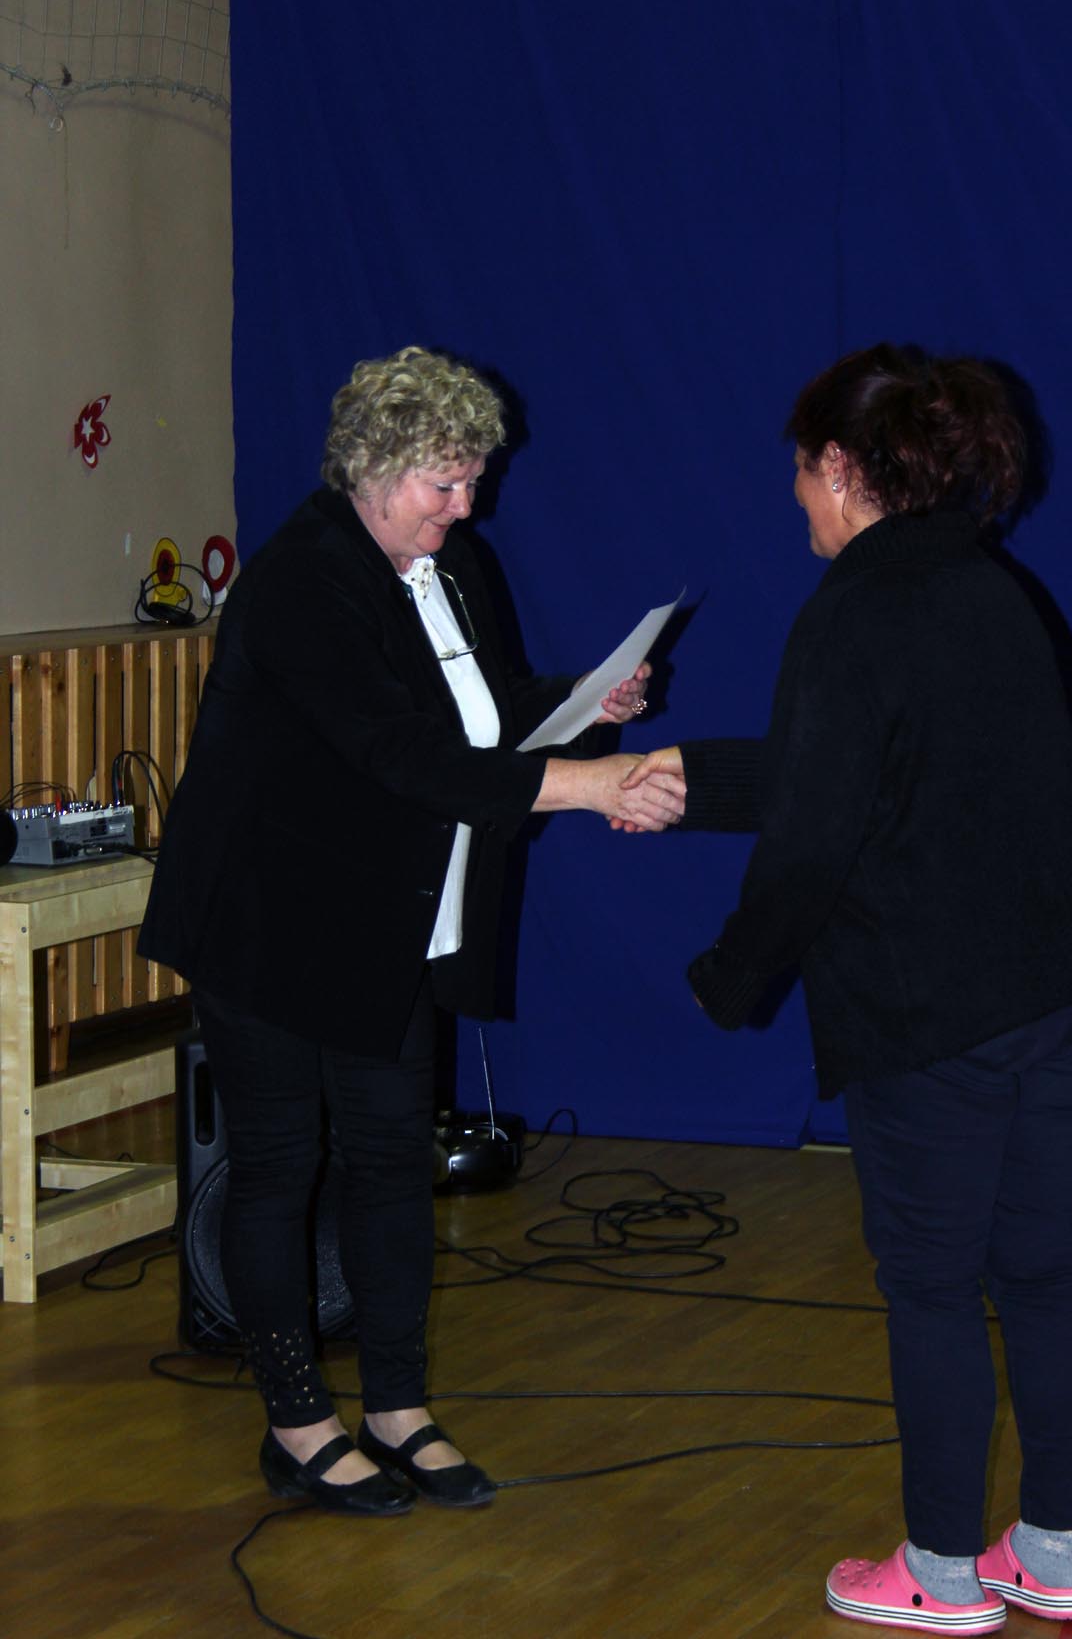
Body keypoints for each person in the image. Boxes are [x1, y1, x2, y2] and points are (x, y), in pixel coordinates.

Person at [624, 343, 1072, 1633]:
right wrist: (687, 778)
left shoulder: (853, 609)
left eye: (803, 472)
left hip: (942, 1016)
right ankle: (1054, 1553)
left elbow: (816, 835)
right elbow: (863, 765)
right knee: (1039, 1266)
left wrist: (730, 978)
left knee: (931, 1283)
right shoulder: (989, 587)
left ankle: (941, 1571)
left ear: (843, 468)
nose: (797, 497)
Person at [139, 345, 683, 1517]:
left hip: (387, 914)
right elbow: (404, 754)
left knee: (391, 1161)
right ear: (374, 469)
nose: (466, 506)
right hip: (265, 919)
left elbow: (482, 712)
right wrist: (591, 789)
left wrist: (583, 703)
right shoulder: (302, 582)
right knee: (279, 1167)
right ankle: (296, 1423)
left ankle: (397, 1409)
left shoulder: (452, 564)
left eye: (473, 481)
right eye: (446, 483)